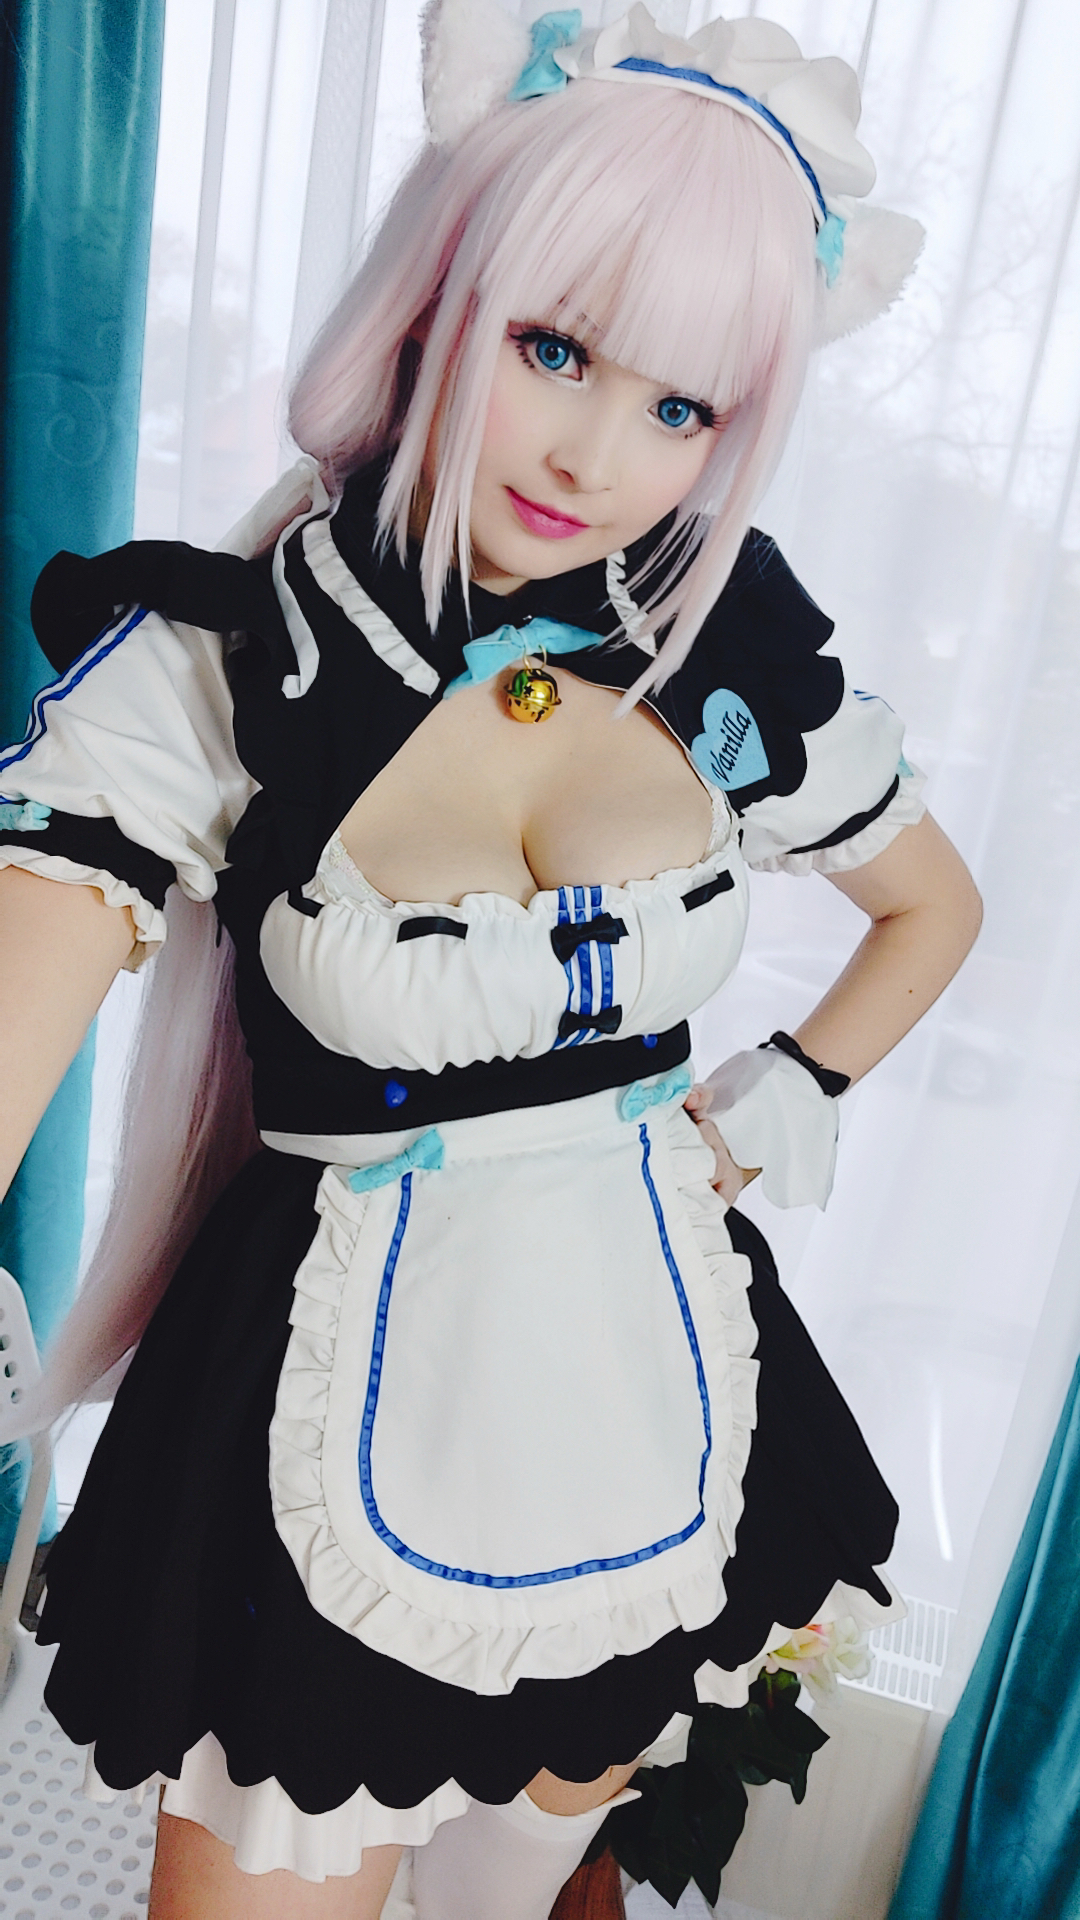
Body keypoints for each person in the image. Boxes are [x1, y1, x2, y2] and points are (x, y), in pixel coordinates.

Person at [0, 5, 982, 1916]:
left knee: (531, 1852)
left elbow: (931, 907)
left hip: (650, 1367)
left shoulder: (720, 636)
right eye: (557, 348)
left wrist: (769, 1103)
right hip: (324, 1402)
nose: (599, 457)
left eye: (683, 408)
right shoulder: (222, 660)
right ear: (444, 293)